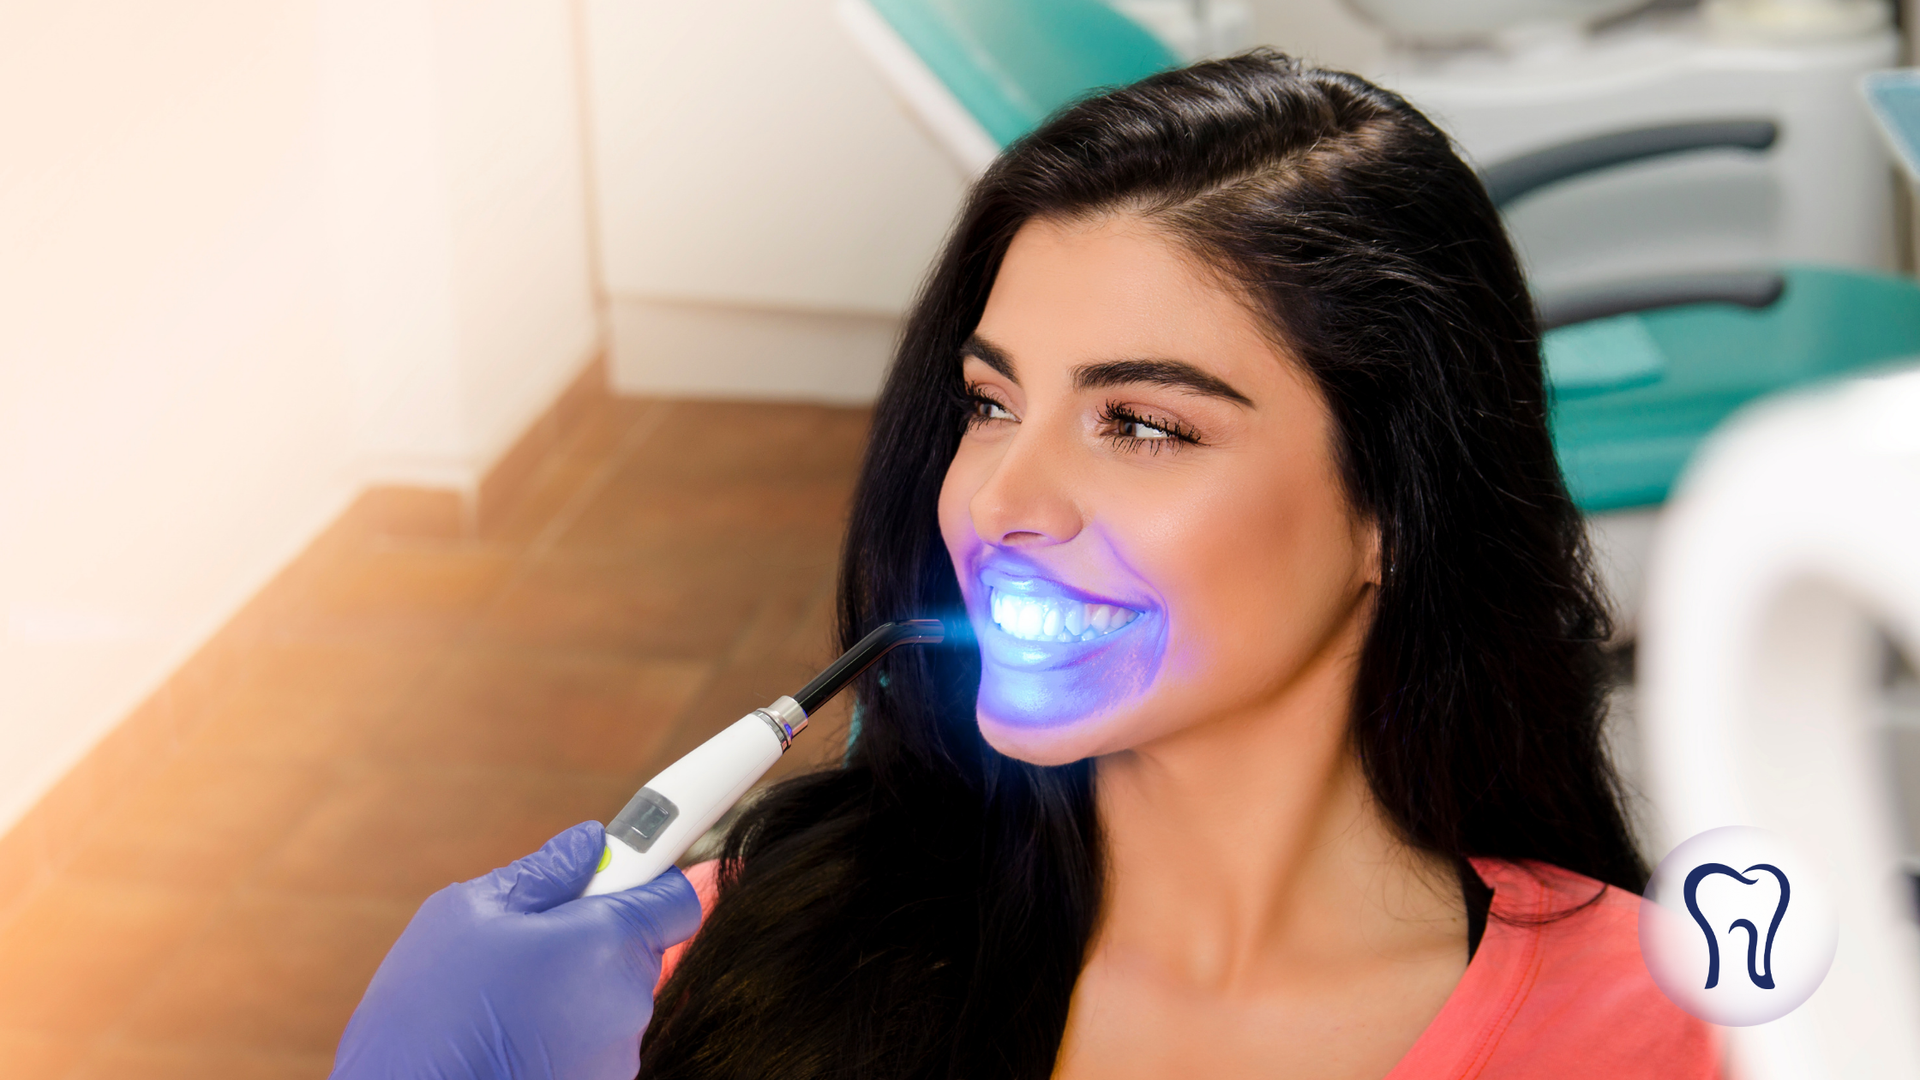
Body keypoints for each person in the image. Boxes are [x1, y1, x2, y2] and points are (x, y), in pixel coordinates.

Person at [333, 51, 1716, 1080]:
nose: (1000, 496)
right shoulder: (708, 969)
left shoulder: (1671, 1030)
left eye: (1143, 424)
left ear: (1391, 515)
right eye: (993, 403)